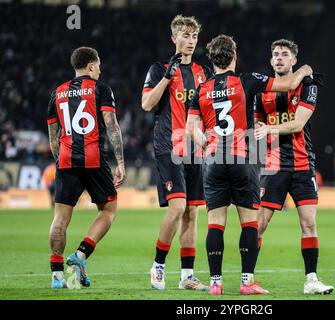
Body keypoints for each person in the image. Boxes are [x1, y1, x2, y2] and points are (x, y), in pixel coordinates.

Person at [186, 34, 313, 295]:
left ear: (211, 60)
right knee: (249, 223)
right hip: (242, 159)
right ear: (234, 55)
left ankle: (215, 283)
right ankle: (246, 282)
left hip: (213, 161)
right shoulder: (246, 80)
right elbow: (288, 85)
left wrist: (206, 145)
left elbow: (191, 129)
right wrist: (304, 70)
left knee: (215, 223)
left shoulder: (201, 89)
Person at [253, 39, 334, 295]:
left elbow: (298, 124)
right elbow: (256, 127)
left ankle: (311, 280)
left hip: (302, 163)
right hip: (273, 164)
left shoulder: (308, 86)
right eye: (275, 54)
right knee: (259, 224)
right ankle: (248, 278)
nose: (278, 58)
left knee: (309, 223)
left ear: (293, 60)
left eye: (284, 54)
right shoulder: (261, 91)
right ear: (270, 60)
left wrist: (270, 128)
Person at [141, 15, 212, 291]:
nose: (191, 41)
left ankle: (187, 276)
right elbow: (147, 104)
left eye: (194, 37)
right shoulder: (159, 69)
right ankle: (158, 265)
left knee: (192, 213)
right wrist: (167, 78)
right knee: (178, 207)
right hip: (169, 147)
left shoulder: (203, 72)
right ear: (174, 39)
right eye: (185, 36)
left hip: (196, 148)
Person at [47, 47, 125, 289]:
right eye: (99, 65)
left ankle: (57, 276)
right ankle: (80, 255)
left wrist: (60, 160)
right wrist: (120, 162)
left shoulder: (57, 92)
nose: (100, 70)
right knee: (109, 210)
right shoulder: (101, 89)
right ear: (91, 66)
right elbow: (112, 127)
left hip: (67, 160)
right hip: (94, 160)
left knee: (60, 217)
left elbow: (53, 136)